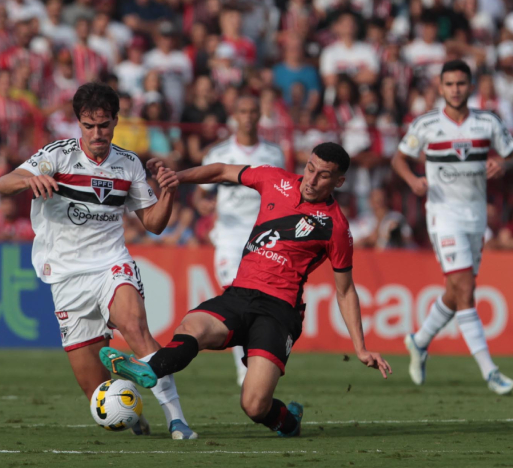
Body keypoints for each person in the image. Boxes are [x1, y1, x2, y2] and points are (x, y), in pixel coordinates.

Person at [100, 142, 391, 437]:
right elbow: (223, 171)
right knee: (193, 326)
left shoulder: (336, 227)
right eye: (310, 168)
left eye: (324, 176)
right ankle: (150, 368)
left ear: (339, 182)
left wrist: (361, 347)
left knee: (253, 405)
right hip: (239, 295)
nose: (312, 180)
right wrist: (179, 176)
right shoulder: (275, 179)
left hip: (278, 311)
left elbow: (345, 291)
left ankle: (288, 421)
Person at [0, 82, 197, 440]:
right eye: (89, 126)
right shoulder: (56, 155)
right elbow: (3, 183)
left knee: (136, 329)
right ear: (79, 125)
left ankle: (177, 419)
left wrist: (167, 194)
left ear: (115, 122)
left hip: (111, 264)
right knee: (96, 396)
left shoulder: (128, 164)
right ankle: (133, 414)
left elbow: (153, 223)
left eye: (104, 125)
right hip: (66, 276)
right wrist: (31, 178)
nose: (97, 133)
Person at [391, 59, 513, 395]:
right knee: (466, 291)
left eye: (461, 83)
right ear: (441, 87)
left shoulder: (488, 122)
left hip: (476, 217)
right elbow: (398, 158)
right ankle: (491, 372)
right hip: (443, 215)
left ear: (470, 86)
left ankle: (419, 340)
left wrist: (502, 163)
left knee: (456, 291)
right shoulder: (427, 124)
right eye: (449, 84)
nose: (455, 89)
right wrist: (413, 179)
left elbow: (510, 154)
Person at [192, 95, 285, 386]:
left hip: (263, 236)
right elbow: (200, 192)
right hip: (230, 236)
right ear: (235, 115)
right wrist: (201, 205)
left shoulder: (274, 153)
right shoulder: (219, 153)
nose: (247, 116)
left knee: (259, 301)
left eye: (252, 111)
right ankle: (244, 368)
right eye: (243, 111)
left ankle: (255, 362)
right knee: (235, 295)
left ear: (259, 115)